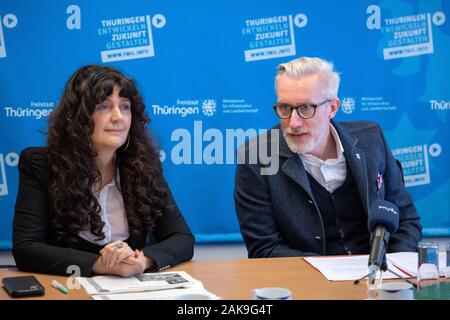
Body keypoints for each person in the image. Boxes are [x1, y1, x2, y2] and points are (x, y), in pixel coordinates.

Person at [13, 65, 194, 277]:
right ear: (78, 117)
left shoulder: (145, 165)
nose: (118, 117)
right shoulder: (41, 164)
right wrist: (102, 264)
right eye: (104, 106)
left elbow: (182, 238)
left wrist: (142, 261)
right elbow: (26, 248)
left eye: (125, 107)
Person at [234, 57, 422, 258]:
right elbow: (265, 249)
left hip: (379, 276)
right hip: (307, 283)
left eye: (306, 108)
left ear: (332, 108)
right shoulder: (256, 158)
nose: (293, 122)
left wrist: (392, 268)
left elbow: (405, 220)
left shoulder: (371, 138)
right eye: (285, 108)